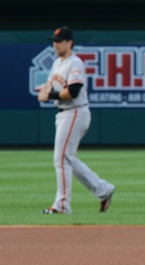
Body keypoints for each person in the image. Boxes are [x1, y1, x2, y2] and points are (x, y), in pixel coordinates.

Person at [38, 26, 116, 215]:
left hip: (75, 112)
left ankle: (62, 205)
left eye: (59, 41)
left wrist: (50, 95)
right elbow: (50, 85)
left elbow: (73, 91)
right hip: (64, 113)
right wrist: (44, 89)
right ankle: (103, 189)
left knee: (61, 158)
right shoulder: (57, 63)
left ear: (69, 42)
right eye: (54, 41)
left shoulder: (75, 63)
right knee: (68, 158)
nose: (55, 45)